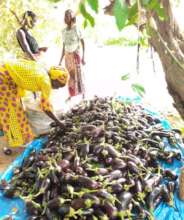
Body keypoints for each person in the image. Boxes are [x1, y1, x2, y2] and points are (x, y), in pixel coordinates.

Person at [0, 60, 68, 153]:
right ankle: (16, 139)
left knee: (17, 108)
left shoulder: (44, 72)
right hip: (3, 79)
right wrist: (59, 122)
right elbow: (45, 108)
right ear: (54, 79)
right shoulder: (46, 82)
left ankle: (20, 135)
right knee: (11, 110)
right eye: (58, 85)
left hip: (6, 72)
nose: (57, 88)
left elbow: (30, 79)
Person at [59, 9, 85, 100]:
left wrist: (83, 57)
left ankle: (83, 95)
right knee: (70, 76)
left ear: (72, 18)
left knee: (79, 74)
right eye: (64, 16)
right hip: (67, 56)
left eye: (67, 16)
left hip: (75, 55)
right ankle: (71, 94)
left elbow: (83, 42)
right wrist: (60, 60)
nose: (65, 18)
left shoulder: (76, 29)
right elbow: (63, 46)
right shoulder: (63, 31)